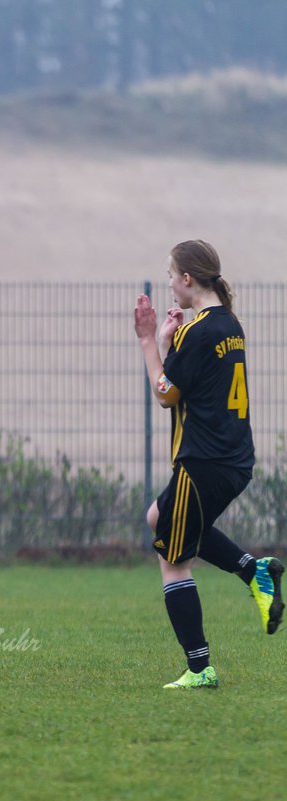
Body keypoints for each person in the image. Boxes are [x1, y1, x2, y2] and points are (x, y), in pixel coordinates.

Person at [133, 239, 283, 690]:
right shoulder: (226, 324)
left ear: (186, 279)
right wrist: (167, 340)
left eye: (170, 276)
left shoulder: (200, 332)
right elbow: (182, 380)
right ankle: (254, 571)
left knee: (172, 558)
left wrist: (147, 341)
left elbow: (165, 394)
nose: (169, 286)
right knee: (158, 516)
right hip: (231, 461)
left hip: (205, 464)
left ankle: (200, 668)